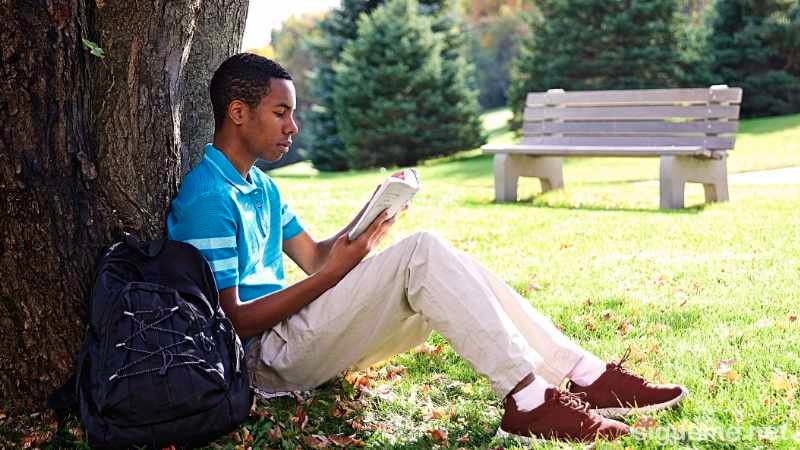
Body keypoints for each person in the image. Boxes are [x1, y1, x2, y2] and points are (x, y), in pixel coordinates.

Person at [166, 53, 687, 443]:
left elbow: (315, 259)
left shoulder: (261, 185)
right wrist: (332, 275)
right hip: (263, 360)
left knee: (445, 263)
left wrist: (364, 228)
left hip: (298, 336)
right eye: (281, 112)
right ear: (238, 112)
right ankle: (531, 400)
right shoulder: (207, 198)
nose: (293, 126)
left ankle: (582, 375)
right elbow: (236, 321)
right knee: (425, 254)